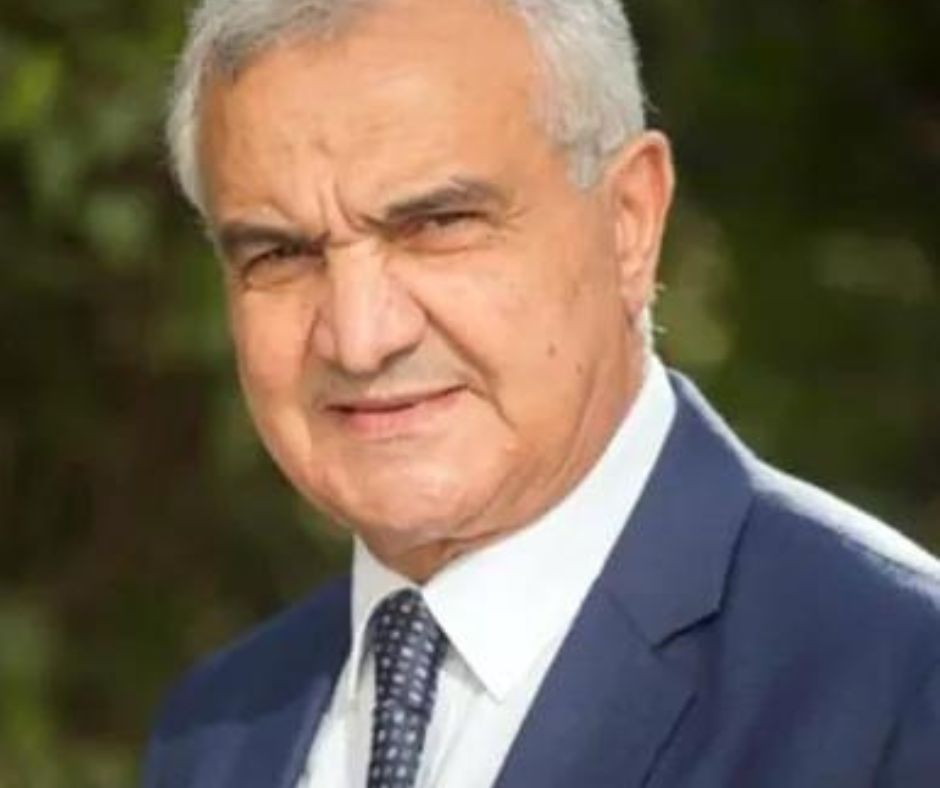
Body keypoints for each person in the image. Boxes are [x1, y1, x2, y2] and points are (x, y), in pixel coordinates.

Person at [144, 0, 940, 785]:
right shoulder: (218, 729)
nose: (360, 338)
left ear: (630, 221)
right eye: (281, 254)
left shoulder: (899, 687)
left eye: (438, 224)